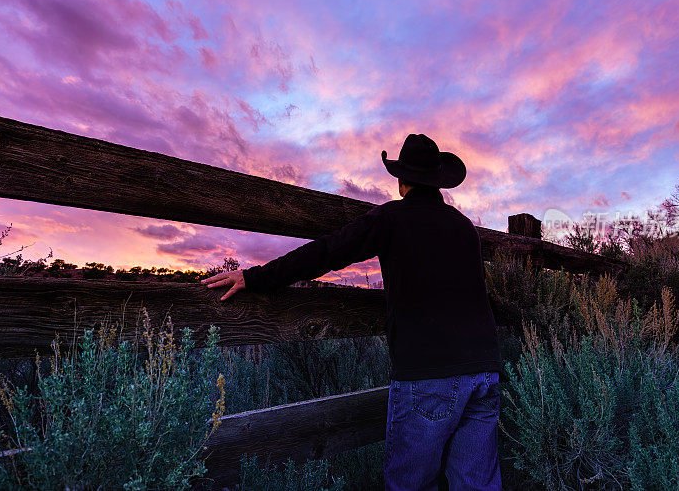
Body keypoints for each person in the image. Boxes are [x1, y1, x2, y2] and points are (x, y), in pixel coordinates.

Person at [201, 133, 503, 490]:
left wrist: (254, 277)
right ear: (438, 180)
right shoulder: (464, 227)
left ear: (401, 181)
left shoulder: (392, 218)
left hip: (428, 374)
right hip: (484, 372)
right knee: (477, 485)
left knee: (411, 485)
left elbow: (328, 252)